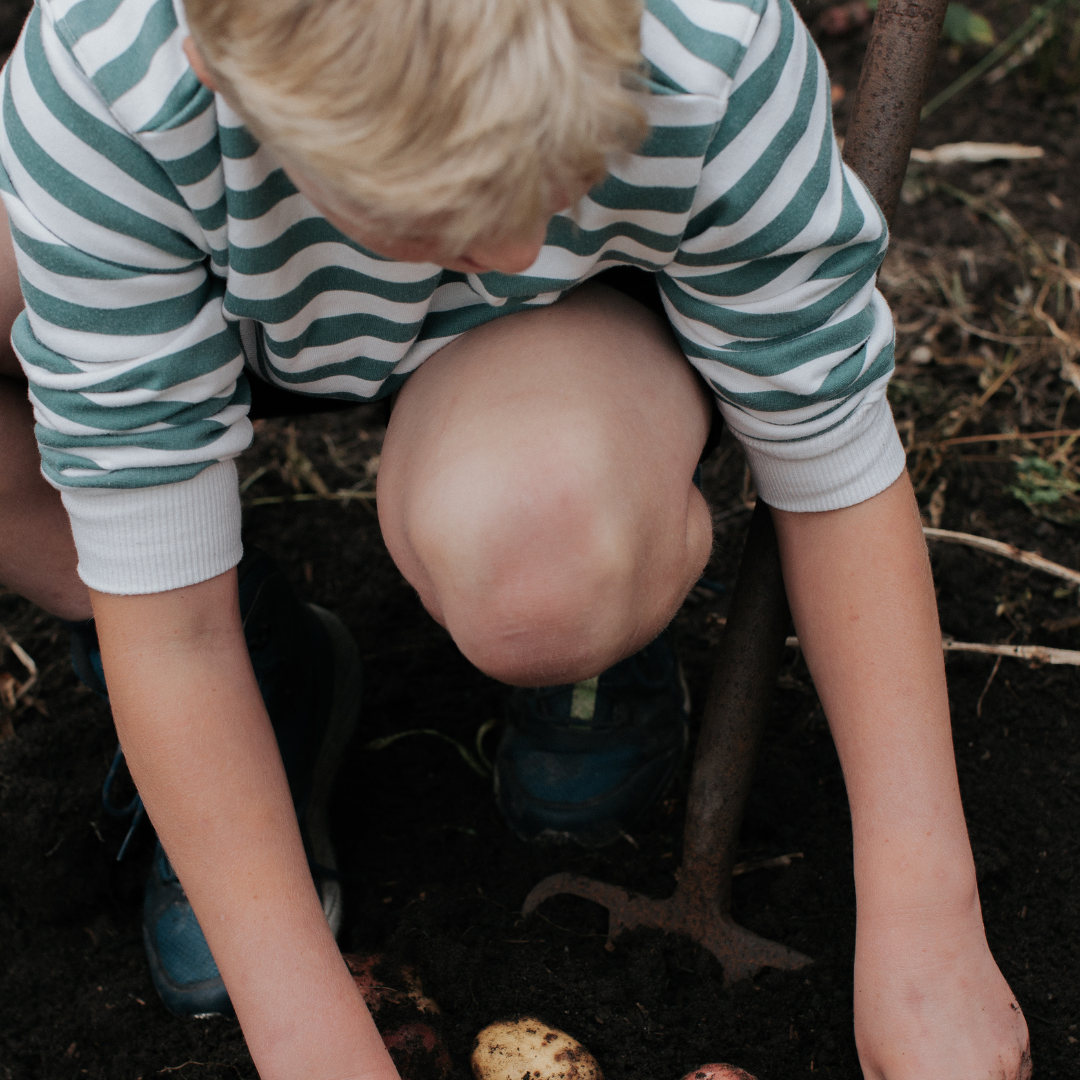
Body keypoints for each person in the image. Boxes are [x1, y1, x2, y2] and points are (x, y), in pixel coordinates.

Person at [0, 0, 1031, 1076]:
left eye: (556, 167)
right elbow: (172, 630)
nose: (513, 244)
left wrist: (928, 917)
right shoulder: (105, 78)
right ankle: (264, 686)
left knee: (536, 555)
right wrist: (309, 1035)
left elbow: (831, 458)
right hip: (243, 288)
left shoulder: (702, 42)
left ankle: (591, 596)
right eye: (445, 207)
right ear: (216, 67)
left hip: (560, 335)